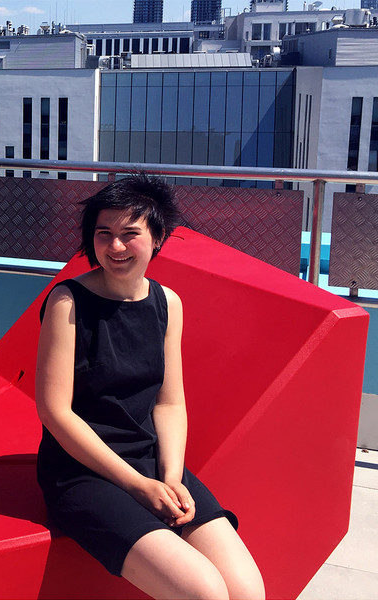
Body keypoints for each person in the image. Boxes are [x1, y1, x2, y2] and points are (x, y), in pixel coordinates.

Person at [35, 174, 265, 599]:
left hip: (150, 461)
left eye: (130, 234)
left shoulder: (167, 302)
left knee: (248, 590)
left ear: (157, 238)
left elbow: (169, 402)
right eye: (104, 234)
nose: (116, 247)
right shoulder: (67, 301)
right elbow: (55, 411)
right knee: (205, 592)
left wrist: (171, 477)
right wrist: (137, 486)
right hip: (82, 470)